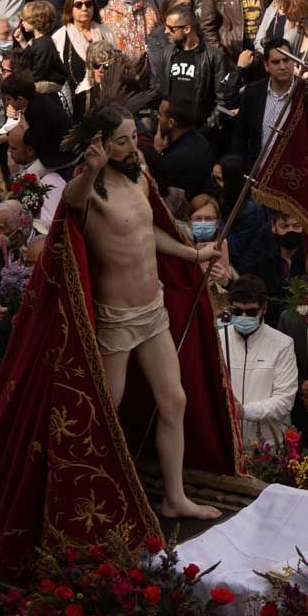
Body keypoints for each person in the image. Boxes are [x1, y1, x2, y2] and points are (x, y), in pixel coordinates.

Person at [58, 106, 219, 520]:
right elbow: (71, 203)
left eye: (134, 136)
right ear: (100, 145)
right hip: (116, 315)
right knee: (108, 405)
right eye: (122, 141)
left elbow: (150, 232)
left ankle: (175, 497)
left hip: (154, 308)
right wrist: (91, 169)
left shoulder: (140, 175)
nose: (133, 146)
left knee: (174, 400)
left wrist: (193, 253)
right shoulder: (89, 186)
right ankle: (97, 494)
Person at [218, 275, 297, 448]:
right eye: (238, 312)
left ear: (264, 308)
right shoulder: (218, 340)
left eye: (251, 312)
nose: (244, 317)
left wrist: (245, 411)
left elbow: (284, 401)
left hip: (269, 447)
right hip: (227, 445)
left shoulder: (283, 344)